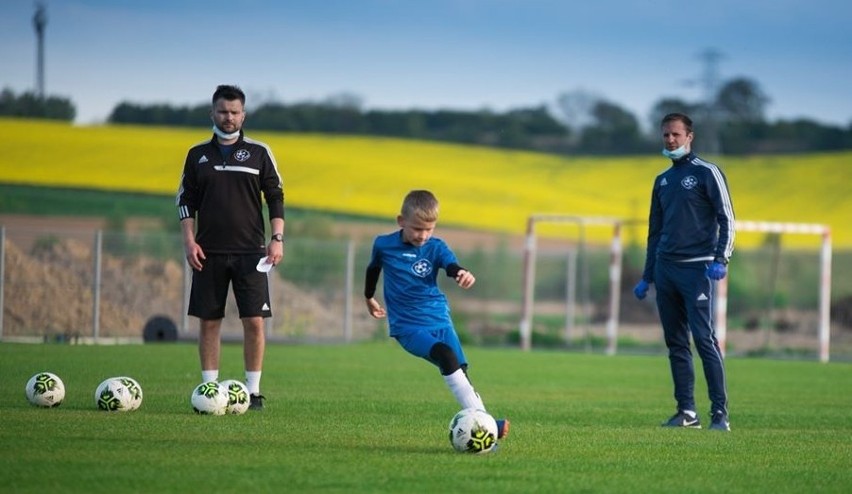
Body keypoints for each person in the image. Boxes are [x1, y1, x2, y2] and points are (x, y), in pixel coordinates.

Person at [364, 190, 509, 439]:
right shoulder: (383, 244)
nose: (423, 235)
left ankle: (487, 428)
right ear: (401, 221)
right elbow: (373, 269)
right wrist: (369, 297)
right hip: (408, 326)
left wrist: (461, 273)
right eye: (417, 229)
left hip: (439, 317)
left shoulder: (436, 247)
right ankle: (489, 427)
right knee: (445, 355)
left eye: (429, 229)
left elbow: (451, 265)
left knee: (459, 369)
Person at [176, 84, 285, 410]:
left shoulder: (259, 153)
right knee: (209, 321)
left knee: (254, 321)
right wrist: (189, 239)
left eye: (235, 112)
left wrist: (277, 238)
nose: (229, 117)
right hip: (207, 252)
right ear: (213, 113)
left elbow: (276, 197)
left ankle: (253, 392)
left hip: (252, 252)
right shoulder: (198, 155)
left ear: (243, 115)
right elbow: (186, 199)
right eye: (223, 111)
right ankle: (209, 390)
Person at [633, 113, 735, 431]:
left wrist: (722, 259)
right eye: (665, 135)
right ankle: (687, 413)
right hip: (666, 270)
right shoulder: (662, 180)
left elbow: (727, 218)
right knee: (676, 342)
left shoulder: (708, 172)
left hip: (698, 269)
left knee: (704, 339)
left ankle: (720, 414)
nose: (670, 140)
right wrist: (648, 275)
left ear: (689, 136)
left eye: (675, 134)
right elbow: (654, 231)